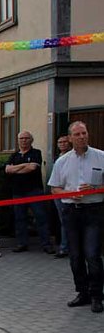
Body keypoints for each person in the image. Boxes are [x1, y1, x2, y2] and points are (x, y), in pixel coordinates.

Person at [47, 121, 104, 313]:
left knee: (92, 254)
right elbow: (54, 188)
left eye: (84, 133)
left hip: (93, 210)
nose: (82, 137)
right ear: (70, 138)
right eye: (77, 134)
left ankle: (97, 295)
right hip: (71, 212)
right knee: (75, 256)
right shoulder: (62, 161)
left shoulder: (101, 157)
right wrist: (69, 194)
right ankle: (83, 293)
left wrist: (95, 189)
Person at [5, 131, 53, 253]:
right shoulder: (14, 155)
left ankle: (46, 245)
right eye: (21, 138)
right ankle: (22, 244)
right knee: (20, 219)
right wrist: (24, 165)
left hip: (34, 191)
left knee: (40, 218)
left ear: (31, 140)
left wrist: (15, 169)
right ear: (18, 140)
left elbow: (32, 168)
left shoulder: (36, 153)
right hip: (18, 192)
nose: (24, 140)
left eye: (26, 138)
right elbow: (7, 170)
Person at [51, 135, 72, 258]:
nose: (62, 144)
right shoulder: (57, 158)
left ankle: (65, 247)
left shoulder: (71, 157)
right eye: (60, 142)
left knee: (67, 221)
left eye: (65, 142)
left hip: (69, 193)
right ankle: (64, 246)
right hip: (57, 192)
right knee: (62, 220)